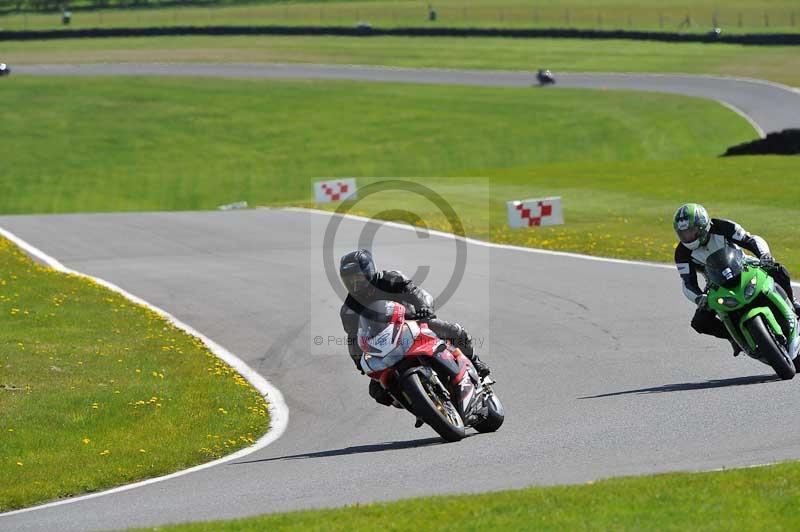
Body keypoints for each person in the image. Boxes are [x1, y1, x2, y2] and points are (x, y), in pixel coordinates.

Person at [338, 249, 491, 406]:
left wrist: (423, 309)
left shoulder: (391, 278)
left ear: (369, 270)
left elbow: (415, 293)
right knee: (377, 392)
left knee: (453, 331)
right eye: (350, 280)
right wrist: (358, 360)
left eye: (358, 277)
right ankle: (417, 404)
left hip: (411, 322)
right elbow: (352, 338)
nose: (355, 283)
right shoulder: (349, 309)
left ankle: (476, 362)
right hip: (383, 343)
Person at [673, 203, 800, 355]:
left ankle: (792, 303)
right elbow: (688, 282)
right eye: (683, 233)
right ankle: (733, 337)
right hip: (716, 284)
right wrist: (699, 297)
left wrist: (764, 256)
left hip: (744, 266)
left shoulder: (723, 226)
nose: (687, 237)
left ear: (702, 227)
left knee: (779, 271)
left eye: (690, 232)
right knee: (699, 322)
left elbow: (751, 240)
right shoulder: (682, 253)